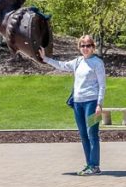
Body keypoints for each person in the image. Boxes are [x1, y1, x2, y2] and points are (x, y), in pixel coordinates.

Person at [40, 35, 107, 175]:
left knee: (92, 134)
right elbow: (62, 65)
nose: (85, 48)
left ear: (93, 47)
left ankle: (95, 166)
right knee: (83, 134)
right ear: (79, 48)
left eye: (88, 45)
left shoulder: (97, 63)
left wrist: (99, 104)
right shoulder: (77, 62)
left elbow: (102, 85)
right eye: (82, 46)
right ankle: (89, 164)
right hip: (78, 103)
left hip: (92, 102)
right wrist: (45, 58)